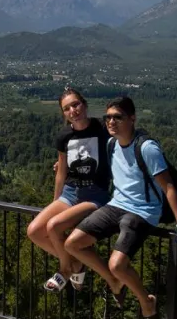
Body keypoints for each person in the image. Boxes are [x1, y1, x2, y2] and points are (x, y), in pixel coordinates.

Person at [65, 97, 177, 319]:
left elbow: (168, 187)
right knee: (73, 244)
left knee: (117, 264)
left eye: (117, 117)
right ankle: (113, 282)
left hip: (143, 210)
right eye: (108, 117)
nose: (111, 122)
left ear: (132, 118)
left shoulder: (147, 148)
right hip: (116, 204)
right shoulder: (112, 144)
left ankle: (146, 301)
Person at [26, 88, 112, 292]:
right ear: (63, 114)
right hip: (70, 192)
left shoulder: (103, 128)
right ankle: (76, 262)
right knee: (34, 231)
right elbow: (61, 172)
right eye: (67, 108)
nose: (73, 110)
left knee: (54, 226)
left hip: (95, 194)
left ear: (84, 104)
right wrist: (56, 201)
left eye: (76, 104)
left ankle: (65, 270)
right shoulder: (64, 136)